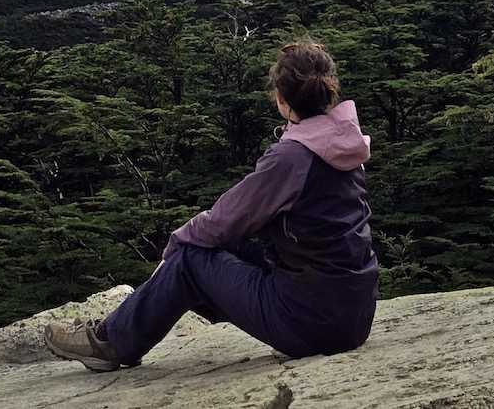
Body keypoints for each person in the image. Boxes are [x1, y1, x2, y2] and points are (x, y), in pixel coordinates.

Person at [44, 40, 380, 371]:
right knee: (224, 245)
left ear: (281, 99)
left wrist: (176, 245)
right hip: (353, 314)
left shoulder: (292, 157)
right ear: (329, 91)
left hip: (311, 323)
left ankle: (109, 343)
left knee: (191, 257)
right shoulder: (345, 142)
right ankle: (121, 327)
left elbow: (224, 219)